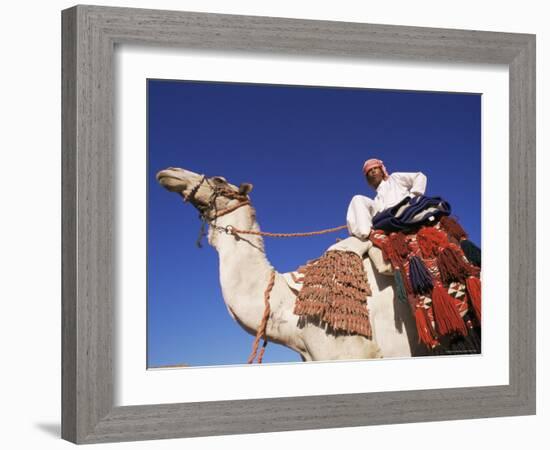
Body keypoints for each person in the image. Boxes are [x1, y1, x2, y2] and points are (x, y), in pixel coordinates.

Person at [346, 158, 427, 240]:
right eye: (369, 170)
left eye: (375, 168)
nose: (373, 171)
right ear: (368, 178)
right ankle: (366, 235)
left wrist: (414, 196)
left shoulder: (395, 179)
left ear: (382, 171)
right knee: (357, 199)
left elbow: (419, 176)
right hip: (385, 219)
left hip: (403, 211)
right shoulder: (376, 200)